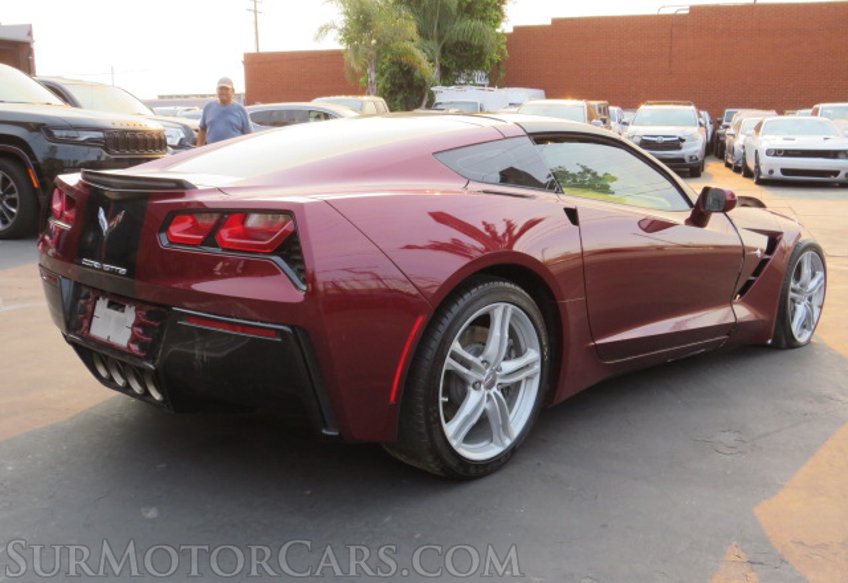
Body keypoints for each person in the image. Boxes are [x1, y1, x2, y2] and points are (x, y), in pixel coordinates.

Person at [197, 77, 252, 146]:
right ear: (217, 91)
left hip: (234, 151)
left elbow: (248, 134)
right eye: (220, 89)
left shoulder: (240, 109)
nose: (223, 92)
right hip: (212, 151)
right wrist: (199, 147)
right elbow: (202, 130)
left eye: (226, 89)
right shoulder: (208, 108)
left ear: (233, 91)